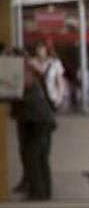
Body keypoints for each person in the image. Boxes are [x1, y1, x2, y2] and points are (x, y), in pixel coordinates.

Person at [14, 57, 57, 200]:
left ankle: (38, 193)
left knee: (32, 157)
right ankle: (44, 192)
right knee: (40, 157)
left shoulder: (26, 71)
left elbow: (23, 89)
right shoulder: (30, 70)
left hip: (37, 120)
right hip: (40, 119)